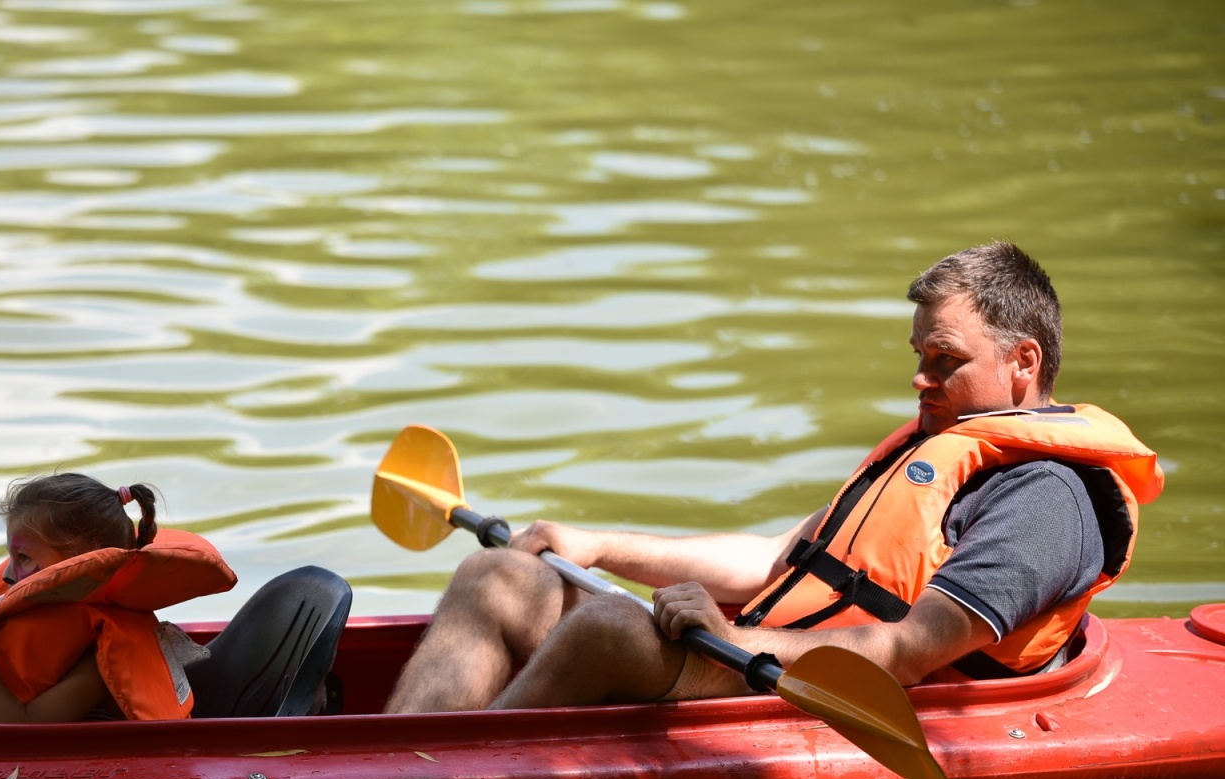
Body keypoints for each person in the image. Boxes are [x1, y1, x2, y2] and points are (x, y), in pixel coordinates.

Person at [382, 242, 1164, 714]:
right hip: (758, 657)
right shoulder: (940, 446)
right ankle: (393, 765)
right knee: (497, 573)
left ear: (1023, 362)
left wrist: (729, 635)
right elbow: (775, 560)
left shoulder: (1048, 500)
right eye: (918, 358)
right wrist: (590, 542)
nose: (921, 381)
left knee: (608, 629)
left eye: (944, 361)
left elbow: (910, 652)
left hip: (814, 693)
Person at [0, 473, 235, 723]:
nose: (8, 574)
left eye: (23, 557)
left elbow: (15, 728)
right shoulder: (47, 613)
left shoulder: (99, 655)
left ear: (79, 563)